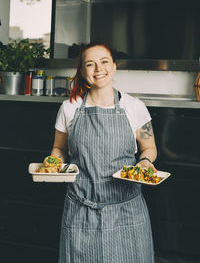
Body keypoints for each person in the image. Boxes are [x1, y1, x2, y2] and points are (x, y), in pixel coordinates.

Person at [50, 42, 157, 263]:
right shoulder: (69, 108)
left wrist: (145, 162)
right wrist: (53, 161)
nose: (99, 69)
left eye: (104, 61)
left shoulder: (135, 106)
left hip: (126, 210)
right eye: (90, 64)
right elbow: (59, 148)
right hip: (81, 210)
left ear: (114, 66)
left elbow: (149, 147)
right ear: (82, 71)